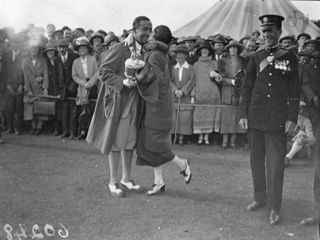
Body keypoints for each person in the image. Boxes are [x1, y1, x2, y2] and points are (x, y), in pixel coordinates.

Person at [239, 14, 300, 225]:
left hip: (277, 119)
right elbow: (247, 87)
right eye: (264, 31)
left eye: (271, 31)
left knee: (275, 165)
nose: (267, 35)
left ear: (279, 33)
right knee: (256, 161)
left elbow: (294, 90)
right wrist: (243, 114)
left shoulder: (289, 57)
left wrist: (292, 117)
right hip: (255, 117)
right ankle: (260, 198)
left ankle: (274, 207)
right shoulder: (256, 57)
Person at [86, 16, 153, 197]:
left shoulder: (145, 50)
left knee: (130, 143)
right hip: (119, 103)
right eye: (144, 29)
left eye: (150, 29)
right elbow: (103, 72)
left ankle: (126, 178)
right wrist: (123, 81)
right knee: (116, 143)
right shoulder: (120, 48)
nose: (147, 32)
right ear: (134, 29)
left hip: (135, 104)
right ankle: (113, 182)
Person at [135, 25, 192, 195]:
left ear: (155, 37)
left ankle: (182, 164)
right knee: (152, 144)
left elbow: (154, 78)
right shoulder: (161, 54)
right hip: (160, 103)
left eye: (152, 34)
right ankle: (158, 182)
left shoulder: (154, 54)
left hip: (156, 105)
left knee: (156, 143)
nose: (149, 36)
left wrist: (137, 75)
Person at [192, 41, 221, 145]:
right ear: (200, 52)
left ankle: (207, 137)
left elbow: (218, 79)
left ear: (209, 51)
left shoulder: (214, 63)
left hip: (212, 91)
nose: (204, 51)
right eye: (202, 50)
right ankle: (200, 136)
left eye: (206, 50)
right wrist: (193, 91)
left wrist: (217, 77)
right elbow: (194, 79)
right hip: (200, 90)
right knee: (199, 113)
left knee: (210, 113)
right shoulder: (195, 65)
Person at [219, 40, 247, 148]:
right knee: (226, 117)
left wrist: (240, 81)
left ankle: (233, 142)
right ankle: (225, 141)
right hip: (226, 91)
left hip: (239, 92)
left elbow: (246, 76)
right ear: (228, 49)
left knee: (236, 117)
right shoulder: (223, 61)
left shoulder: (243, 60)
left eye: (235, 48)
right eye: (231, 48)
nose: (232, 50)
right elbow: (219, 78)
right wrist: (230, 81)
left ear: (238, 50)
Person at [72, 37, 98, 140]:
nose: (82, 50)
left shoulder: (93, 59)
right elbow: (74, 76)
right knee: (83, 111)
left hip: (94, 88)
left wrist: (91, 83)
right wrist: (84, 83)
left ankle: (93, 133)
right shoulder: (76, 62)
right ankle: (83, 131)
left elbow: (97, 72)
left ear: (88, 49)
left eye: (84, 47)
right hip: (82, 89)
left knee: (93, 110)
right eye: (80, 48)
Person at [22, 43, 49, 135]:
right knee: (30, 107)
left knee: (40, 106)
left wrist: (45, 88)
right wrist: (27, 89)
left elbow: (46, 74)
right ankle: (33, 127)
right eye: (32, 49)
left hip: (40, 87)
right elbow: (25, 76)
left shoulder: (43, 60)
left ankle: (39, 127)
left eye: (36, 49)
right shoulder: (25, 61)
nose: (34, 51)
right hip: (30, 86)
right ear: (29, 50)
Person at [171, 44, 195, 145]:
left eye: (182, 55)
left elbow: (192, 80)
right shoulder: (172, 68)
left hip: (186, 96)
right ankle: (175, 136)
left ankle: (182, 137)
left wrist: (183, 91)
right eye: (178, 55)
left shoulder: (190, 67)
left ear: (186, 56)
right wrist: (175, 90)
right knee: (174, 116)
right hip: (175, 96)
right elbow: (169, 81)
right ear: (175, 56)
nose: (180, 57)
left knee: (185, 117)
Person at [56, 38, 79, 139]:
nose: (61, 49)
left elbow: (78, 72)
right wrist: (59, 90)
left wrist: (73, 87)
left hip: (73, 89)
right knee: (64, 112)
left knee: (73, 113)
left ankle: (72, 132)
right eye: (59, 47)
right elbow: (56, 76)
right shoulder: (57, 59)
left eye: (63, 47)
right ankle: (65, 131)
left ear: (67, 47)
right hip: (63, 90)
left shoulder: (74, 56)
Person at [3, 36, 24, 135]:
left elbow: (25, 72)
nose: (15, 45)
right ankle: (9, 127)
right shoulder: (6, 55)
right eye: (13, 43)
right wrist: (7, 85)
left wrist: (21, 85)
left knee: (18, 108)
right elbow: (4, 72)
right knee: (9, 108)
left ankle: (17, 128)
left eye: (17, 43)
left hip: (19, 85)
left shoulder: (24, 55)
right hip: (9, 86)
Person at [285, 101, 316, 167]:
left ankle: (288, 158)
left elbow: (313, 140)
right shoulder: (284, 118)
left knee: (301, 134)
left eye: (299, 109)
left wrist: (304, 140)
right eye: (294, 109)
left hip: (298, 148)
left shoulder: (306, 121)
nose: (296, 111)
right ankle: (284, 160)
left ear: (301, 110)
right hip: (285, 145)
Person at [43, 42, 63, 136]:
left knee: (58, 110)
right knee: (50, 109)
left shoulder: (58, 60)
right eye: (48, 51)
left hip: (58, 89)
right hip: (49, 88)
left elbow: (61, 76)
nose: (50, 52)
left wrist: (60, 91)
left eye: (52, 51)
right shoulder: (45, 62)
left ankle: (58, 129)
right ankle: (51, 128)